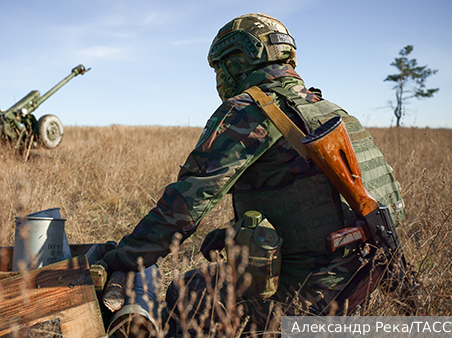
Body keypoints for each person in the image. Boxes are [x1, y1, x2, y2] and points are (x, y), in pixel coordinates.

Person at [100, 13, 405, 335]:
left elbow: (184, 206)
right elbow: (318, 198)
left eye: (220, 66)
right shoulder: (329, 108)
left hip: (311, 294)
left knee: (185, 294)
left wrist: (124, 258)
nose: (219, 76)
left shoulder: (250, 109)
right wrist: (236, 232)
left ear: (240, 59)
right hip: (363, 279)